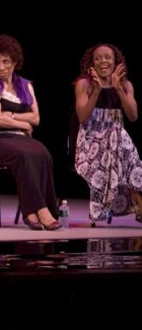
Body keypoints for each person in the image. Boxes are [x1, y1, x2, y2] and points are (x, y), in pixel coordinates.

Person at [0, 34, 60, 230]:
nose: (0, 67)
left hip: (18, 138)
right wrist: (24, 124)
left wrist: (10, 116)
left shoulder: (25, 85)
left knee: (43, 153)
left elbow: (36, 118)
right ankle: (36, 210)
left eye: (5, 62)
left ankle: (39, 209)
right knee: (23, 155)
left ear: (15, 62)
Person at [73, 43, 142, 224]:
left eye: (107, 57)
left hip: (118, 150)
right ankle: (138, 198)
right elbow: (83, 118)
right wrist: (96, 92)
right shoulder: (84, 84)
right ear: (92, 63)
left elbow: (133, 116)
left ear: (115, 62)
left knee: (117, 133)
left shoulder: (126, 85)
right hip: (90, 147)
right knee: (116, 132)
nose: (103, 61)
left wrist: (118, 88)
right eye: (98, 58)